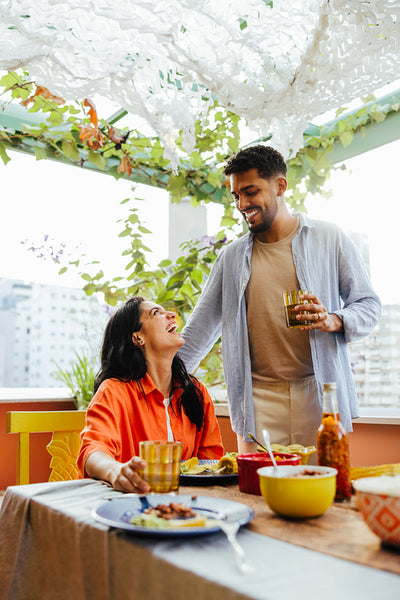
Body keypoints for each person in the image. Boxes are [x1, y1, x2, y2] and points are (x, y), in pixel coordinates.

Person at [179, 145, 382, 455]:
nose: (242, 203)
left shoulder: (330, 237)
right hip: (256, 399)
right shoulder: (231, 257)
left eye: (250, 191)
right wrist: (149, 383)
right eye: (236, 196)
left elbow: (369, 305)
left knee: (320, 493)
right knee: (256, 497)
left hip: (318, 394)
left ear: (280, 186)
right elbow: (197, 334)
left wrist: (334, 319)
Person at [77, 296, 224, 492]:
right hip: (131, 505)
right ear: (138, 337)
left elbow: (211, 463)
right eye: (157, 313)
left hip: (189, 507)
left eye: (167, 311)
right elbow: (93, 451)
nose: (171, 315)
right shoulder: (113, 391)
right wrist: (116, 472)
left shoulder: (197, 393)